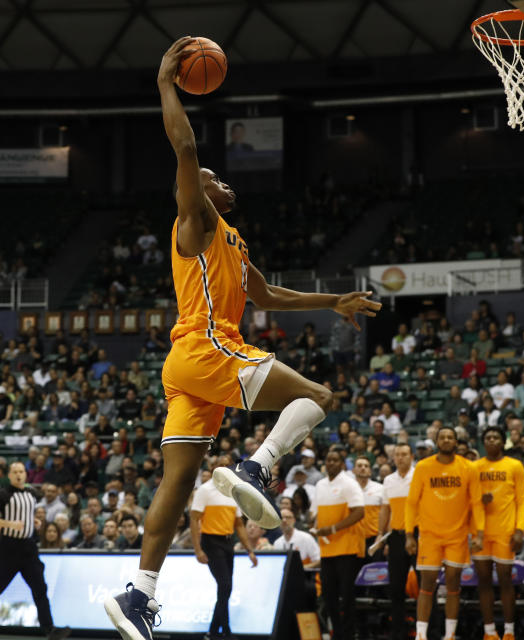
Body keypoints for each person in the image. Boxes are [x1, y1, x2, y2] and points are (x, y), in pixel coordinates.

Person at [105, 36, 381, 640]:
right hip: (208, 347)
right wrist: (164, 84)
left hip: (187, 366)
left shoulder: (232, 238)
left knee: (176, 487)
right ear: (195, 190)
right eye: (209, 176)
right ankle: (256, 468)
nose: (218, 179)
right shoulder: (194, 221)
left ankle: (138, 595)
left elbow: (268, 296)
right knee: (319, 398)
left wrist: (332, 300)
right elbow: (184, 144)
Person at [0, 462, 69, 640]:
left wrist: (33, 521)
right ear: (9, 475)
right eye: (15, 472)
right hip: (9, 547)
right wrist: (7, 524)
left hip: (29, 546)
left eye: (21, 471)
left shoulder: (31, 493)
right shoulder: (3, 494)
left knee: (40, 588)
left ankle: (50, 629)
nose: (19, 475)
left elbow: (25, 512)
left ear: (25, 475)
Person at [405, 426, 484, 640]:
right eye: (443, 437)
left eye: (450, 437)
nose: (446, 440)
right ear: (436, 441)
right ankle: (420, 635)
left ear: (456, 442)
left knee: (453, 586)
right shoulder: (423, 467)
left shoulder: (468, 467)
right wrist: (409, 535)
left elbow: (477, 503)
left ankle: (449, 635)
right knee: (426, 585)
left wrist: (479, 534)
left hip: (457, 536)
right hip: (429, 535)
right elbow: (412, 503)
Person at [189, 455, 258, 640]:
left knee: (225, 588)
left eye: (228, 465)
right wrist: (197, 550)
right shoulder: (204, 490)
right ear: (213, 467)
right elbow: (194, 520)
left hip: (228, 542)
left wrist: (250, 550)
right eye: (221, 465)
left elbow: (239, 525)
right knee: (225, 585)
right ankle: (224, 630)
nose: (224, 468)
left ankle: (213, 632)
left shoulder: (233, 491)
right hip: (211, 542)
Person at [473, 427, 524, 640]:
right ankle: (489, 632)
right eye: (487, 437)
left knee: (506, 580)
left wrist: (519, 530)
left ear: (503, 442)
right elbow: (468, 499)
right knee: (484, 581)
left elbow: (523, 500)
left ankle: (509, 631)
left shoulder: (514, 465)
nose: (491, 440)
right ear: (483, 442)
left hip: (505, 531)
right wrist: (480, 500)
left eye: (496, 437)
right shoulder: (474, 467)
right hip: (480, 533)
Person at [311, 449, 365, 640]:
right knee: (329, 596)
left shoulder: (349, 484)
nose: (331, 463)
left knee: (347, 596)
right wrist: (314, 526)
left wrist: (333, 529)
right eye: (328, 460)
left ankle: (349, 634)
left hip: (347, 548)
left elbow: (359, 512)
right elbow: (315, 513)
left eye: (335, 460)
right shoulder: (319, 485)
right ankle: (338, 634)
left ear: (342, 464)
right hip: (327, 550)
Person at [376, 442, 415, 640]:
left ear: (411, 456)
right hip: (396, 536)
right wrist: (380, 534)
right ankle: (399, 634)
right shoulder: (389, 480)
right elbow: (385, 509)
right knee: (396, 588)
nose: (400, 458)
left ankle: (429, 632)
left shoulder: (418, 476)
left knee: (426, 586)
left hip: (418, 534)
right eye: (397, 454)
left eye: (404, 454)